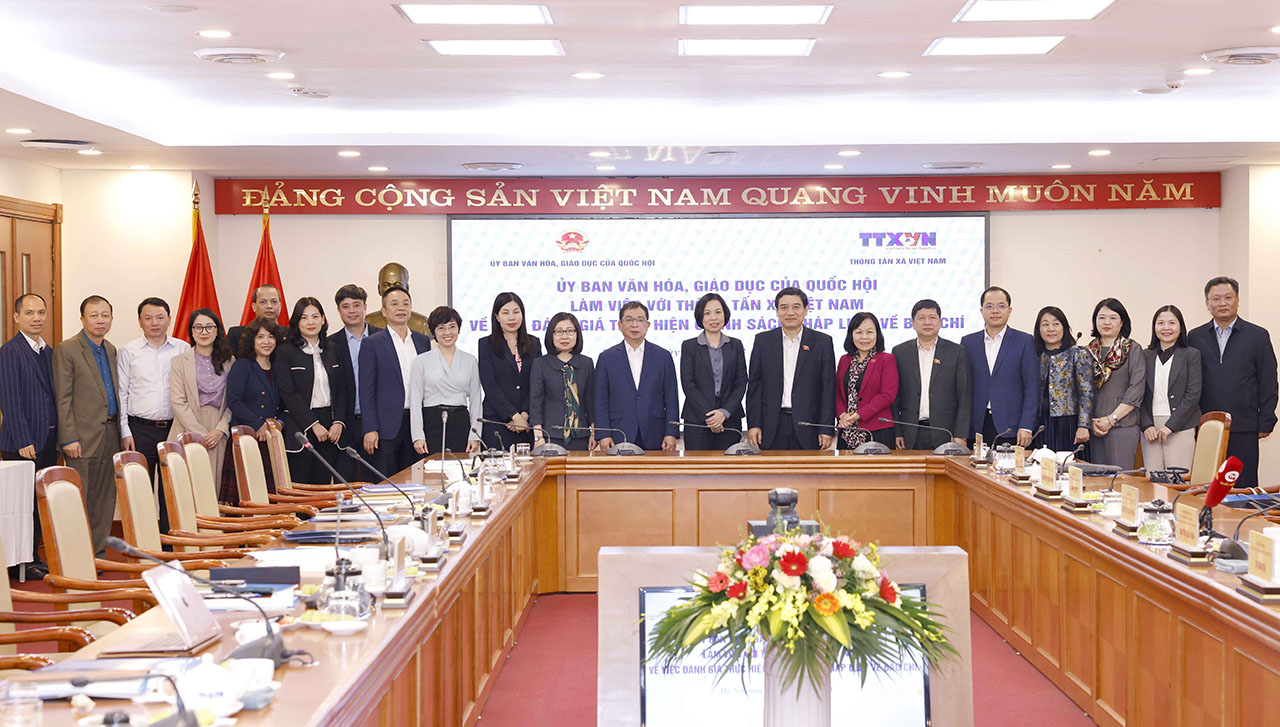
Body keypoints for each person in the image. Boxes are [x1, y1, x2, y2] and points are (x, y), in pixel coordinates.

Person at [1187, 276, 1278, 488]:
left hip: (1244, 425)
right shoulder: (1195, 337)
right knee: (1207, 486)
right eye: (1216, 299)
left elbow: (1268, 381)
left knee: (1242, 486)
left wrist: (1266, 420)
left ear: (1237, 300)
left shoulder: (1257, 336)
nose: (1222, 303)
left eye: (1228, 297)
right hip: (1207, 425)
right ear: (1207, 303)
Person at [116, 297, 190, 539]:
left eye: (160, 317)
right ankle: (144, 543)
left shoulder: (182, 348)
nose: (154, 323)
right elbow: (122, 393)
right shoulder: (128, 351)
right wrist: (125, 430)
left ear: (169, 319)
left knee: (172, 490)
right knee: (140, 490)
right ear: (140, 321)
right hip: (139, 430)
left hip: (173, 429)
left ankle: (171, 543)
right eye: (148, 318)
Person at [52, 295, 119, 555]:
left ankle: (97, 554)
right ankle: (76, 556)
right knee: (79, 499)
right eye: (94, 315)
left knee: (104, 499)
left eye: (105, 315)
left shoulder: (110, 349)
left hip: (110, 433)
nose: (100, 320)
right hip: (81, 438)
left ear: (111, 318)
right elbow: (63, 397)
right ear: (82, 319)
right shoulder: (67, 349)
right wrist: (68, 437)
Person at [0, 293, 57, 576]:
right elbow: (9, 400)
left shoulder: (48, 351)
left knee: (37, 503)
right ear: (17, 317)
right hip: (21, 443)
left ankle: (32, 557)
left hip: (46, 441)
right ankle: (16, 565)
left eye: (41, 312)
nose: (36, 318)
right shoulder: (10, 351)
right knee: (19, 505)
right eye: (30, 313)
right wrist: (23, 440)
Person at [746, 287, 836, 450]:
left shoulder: (822, 342)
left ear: (806, 310)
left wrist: (826, 428)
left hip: (808, 425)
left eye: (796, 307)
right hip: (771, 425)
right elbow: (755, 387)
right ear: (777, 311)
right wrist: (754, 424)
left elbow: (828, 389)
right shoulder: (763, 341)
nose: (790, 312)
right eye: (784, 307)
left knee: (807, 468)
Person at [359, 286, 431, 476]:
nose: (401, 308)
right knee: (387, 480)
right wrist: (370, 428)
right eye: (394, 304)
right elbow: (366, 390)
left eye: (405, 304)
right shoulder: (372, 343)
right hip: (386, 427)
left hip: (417, 424)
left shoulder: (423, 341)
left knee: (417, 479)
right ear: (384, 311)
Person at [276, 297, 347, 484]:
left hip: (330, 427)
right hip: (301, 425)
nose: (310, 322)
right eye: (304, 317)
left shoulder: (333, 349)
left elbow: (342, 390)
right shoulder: (285, 352)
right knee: (301, 486)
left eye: (315, 316)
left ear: (323, 319)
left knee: (323, 484)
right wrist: (313, 424)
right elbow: (289, 395)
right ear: (297, 322)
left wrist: (338, 422)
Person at [169, 309, 236, 504]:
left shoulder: (230, 361)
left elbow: (234, 400)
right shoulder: (179, 361)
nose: (204, 332)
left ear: (217, 330)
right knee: (187, 491)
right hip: (188, 427)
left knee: (215, 491)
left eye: (209, 327)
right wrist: (199, 433)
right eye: (198, 327)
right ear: (191, 331)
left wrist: (220, 429)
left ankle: (215, 524)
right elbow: (178, 401)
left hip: (218, 430)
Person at [593, 302, 679, 452]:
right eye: (629, 320)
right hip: (618, 432)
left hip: (655, 432)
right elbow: (600, 399)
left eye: (640, 320)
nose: (634, 325)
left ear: (647, 325)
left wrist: (671, 432)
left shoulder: (663, 356)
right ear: (620, 325)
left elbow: (671, 398)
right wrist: (603, 434)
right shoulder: (606, 358)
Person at [962, 286, 1038, 448]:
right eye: (989, 306)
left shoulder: (1024, 341)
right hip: (977, 425)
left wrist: (1026, 425)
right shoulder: (968, 342)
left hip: (1012, 426)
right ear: (981, 311)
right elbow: (963, 389)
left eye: (1001, 306)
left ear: (1009, 310)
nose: (995, 311)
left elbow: (1031, 387)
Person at [891, 299, 971, 450]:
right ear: (912, 323)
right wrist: (897, 432)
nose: (927, 322)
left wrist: (960, 434)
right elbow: (895, 398)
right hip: (909, 432)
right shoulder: (900, 352)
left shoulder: (957, 352)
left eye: (932, 317)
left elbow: (964, 397)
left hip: (946, 432)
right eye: (921, 318)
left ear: (940, 322)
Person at [410, 306, 483, 456]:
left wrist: (475, 436)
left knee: (461, 467)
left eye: (452, 327)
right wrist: (417, 436)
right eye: (441, 328)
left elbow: (476, 400)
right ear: (433, 332)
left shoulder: (470, 360)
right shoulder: (421, 361)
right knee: (432, 468)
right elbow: (415, 400)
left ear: (458, 329)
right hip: (431, 423)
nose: (447, 332)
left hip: (460, 422)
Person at [327, 284, 382, 480]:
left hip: (378, 423)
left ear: (365, 307)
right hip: (345, 424)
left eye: (356, 305)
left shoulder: (382, 338)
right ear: (339, 310)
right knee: (345, 484)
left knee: (378, 483)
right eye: (346, 306)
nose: (352, 311)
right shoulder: (330, 344)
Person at [679, 293, 747, 451]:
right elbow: (688, 384)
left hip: (729, 420)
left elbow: (741, 383)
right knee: (697, 466)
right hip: (697, 420)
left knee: (728, 466)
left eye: (718, 312)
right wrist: (710, 417)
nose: (713, 318)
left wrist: (723, 413)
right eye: (707, 313)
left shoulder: (736, 345)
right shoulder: (689, 346)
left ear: (725, 315)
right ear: (700, 317)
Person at [1139, 305, 1202, 472]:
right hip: (1150, 429)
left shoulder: (1191, 355)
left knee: (1177, 478)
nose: (1166, 328)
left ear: (1180, 327)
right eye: (1160, 323)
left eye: (1172, 323)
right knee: (1153, 478)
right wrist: (1146, 425)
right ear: (1154, 327)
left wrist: (1171, 426)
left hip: (1181, 425)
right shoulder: (1144, 355)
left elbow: (1193, 394)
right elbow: (1138, 393)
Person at [1085, 298, 1146, 468]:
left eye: (1113, 318)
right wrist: (1089, 421)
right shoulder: (1087, 351)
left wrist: (1111, 419)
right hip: (1094, 427)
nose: (1107, 322)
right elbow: (1081, 391)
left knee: (1120, 479)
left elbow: (1136, 389)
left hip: (1122, 426)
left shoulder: (1132, 349)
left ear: (1122, 322)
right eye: (1102, 317)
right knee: (1095, 480)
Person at [478, 292, 542, 450]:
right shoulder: (486, 344)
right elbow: (489, 385)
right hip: (497, 421)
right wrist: (513, 416)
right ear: (497, 317)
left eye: (516, 312)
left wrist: (524, 415)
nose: (511, 318)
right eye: (505, 313)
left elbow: (537, 383)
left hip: (527, 424)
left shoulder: (534, 343)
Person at [531, 312, 596, 451]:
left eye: (570, 331)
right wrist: (538, 437)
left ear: (577, 334)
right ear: (551, 335)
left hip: (581, 437)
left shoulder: (587, 363)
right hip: (550, 436)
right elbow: (536, 403)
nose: (564, 336)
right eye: (559, 331)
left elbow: (591, 401)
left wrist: (594, 433)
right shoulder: (540, 364)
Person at [1032, 306, 1093, 452]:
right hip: (1040, 424)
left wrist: (1083, 425)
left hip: (1069, 424)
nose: (1051, 329)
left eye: (1056, 324)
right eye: (1045, 324)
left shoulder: (1078, 353)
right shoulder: (1035, 356)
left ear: (1064, 328)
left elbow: (1087, 392)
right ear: (1039, 330)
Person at [835, 313, 898, 449]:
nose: (864, 337)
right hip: (847, 430)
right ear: (851, 335)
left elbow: (888, 395)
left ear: (877, 334)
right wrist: (842, 415)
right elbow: (837, 394)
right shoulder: (844, 360)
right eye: (859, 332)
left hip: (877, 430)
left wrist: (859, 415)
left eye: (869, 332)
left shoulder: (886, 359)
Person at [227, 318, 283, 445]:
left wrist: (279, 423)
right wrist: (258, 424)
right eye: (260, 337)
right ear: (252, 340)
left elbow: (285, 403)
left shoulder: (278, 368)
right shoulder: (242, 366)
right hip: (246, 436)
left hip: (272, 435)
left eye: (271, 337)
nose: (266, 341)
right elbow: (233, 400)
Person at [363, 262, 430, 335]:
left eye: (397, 285)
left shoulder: (423, 325)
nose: (392, 290)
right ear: (379, 289)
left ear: (407, 288)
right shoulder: (367, 322)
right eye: (386, 285)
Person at [227, 284, 283, 353]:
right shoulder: (237, 334)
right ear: (254, 307)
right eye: (263, 302)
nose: (269, 306)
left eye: (274, 302)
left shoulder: (289, 334)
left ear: (280, 305)